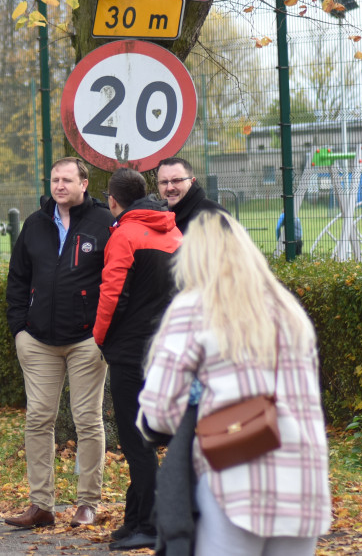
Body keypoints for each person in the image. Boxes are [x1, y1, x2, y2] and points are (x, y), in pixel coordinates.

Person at [139, 212, 331, 556]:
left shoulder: (194, 307)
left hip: (234, 478)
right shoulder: (289, 310)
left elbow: (159, 411)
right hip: (304, 482)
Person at [5, 157, 114, 530]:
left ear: (84, 183)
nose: (59, 185)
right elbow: (17, 279)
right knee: (38, 419)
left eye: (67, 179)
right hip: (38, 342)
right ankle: (41, 506)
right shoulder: (35, 224)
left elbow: (118, 278)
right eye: (55, 179)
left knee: (87, 420)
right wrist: (20, 329)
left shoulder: (103, 223)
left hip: (87, 340)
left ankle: (87, 503)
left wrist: (104, 330)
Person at [93, 168, 182, 551]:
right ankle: (135, 519)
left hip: (131, 353)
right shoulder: (175, 233)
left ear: (113, 200)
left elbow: (112, 294)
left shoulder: (125, 235)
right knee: (151, 437)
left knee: (136, 440)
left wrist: (99, 339)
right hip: (167, 349)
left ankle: (148, 524)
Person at [156, 157, 228, 234]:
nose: (169, 188)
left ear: (192, 181)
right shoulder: (155, 218)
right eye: (164, 182)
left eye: (176, 181)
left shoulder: (214, 215)